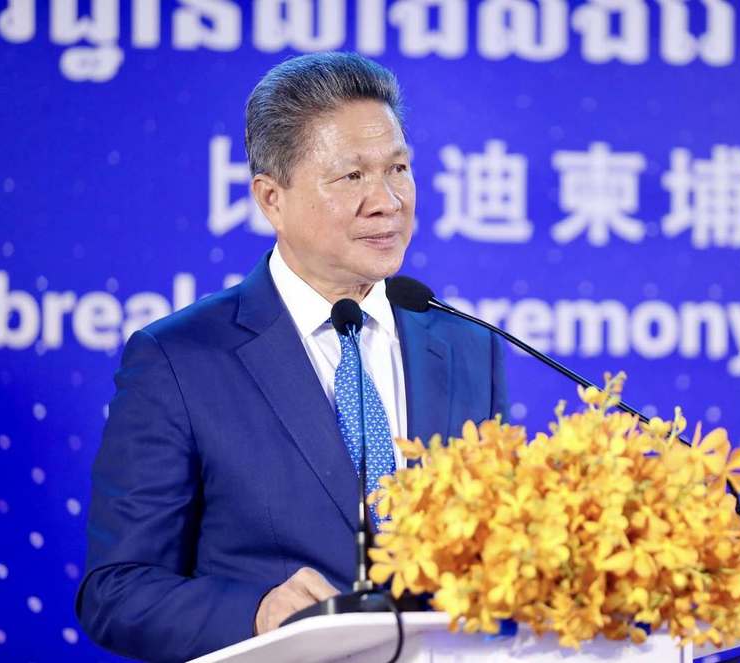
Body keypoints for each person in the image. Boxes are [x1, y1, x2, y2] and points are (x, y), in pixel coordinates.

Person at [75, 52, 508, 662]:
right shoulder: (179, 360)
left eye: (398, 168)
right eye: (351, 177)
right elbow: (116, 592)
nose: (387, 200)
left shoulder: (467, 346)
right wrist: (257, 613)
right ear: (271, 198)